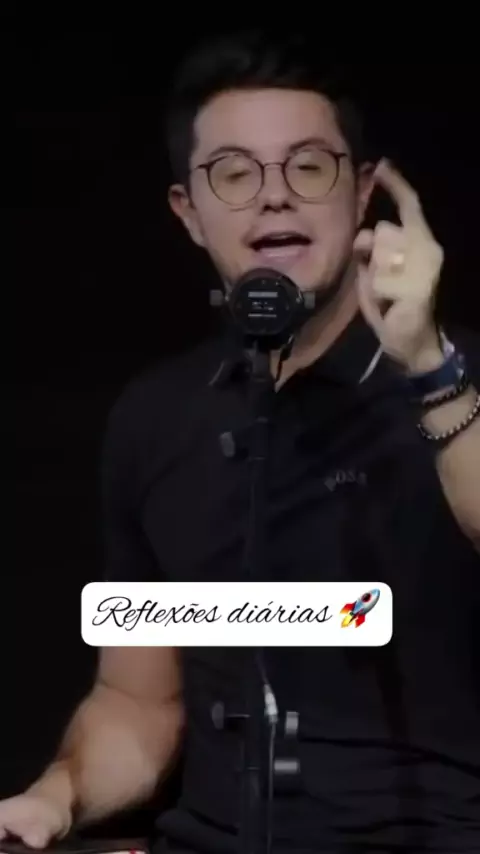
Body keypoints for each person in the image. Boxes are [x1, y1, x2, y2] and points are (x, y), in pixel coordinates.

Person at [3, 30, 480, 854]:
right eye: (233, 173)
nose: (274, 197)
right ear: (189, 213)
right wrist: (56, 795)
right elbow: (138, 702)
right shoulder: (156, 417)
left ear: (363, 192)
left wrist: (430, 370)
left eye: (309, 167)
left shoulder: (457, 380)